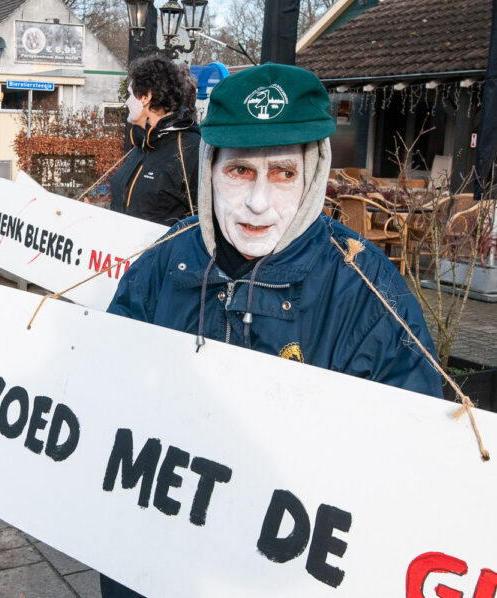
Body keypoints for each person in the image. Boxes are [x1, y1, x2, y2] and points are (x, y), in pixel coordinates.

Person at [102, 63, 442, 597]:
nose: (258, 203)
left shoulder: (368, 294)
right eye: (239, 172)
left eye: (283, 173)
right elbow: (102, 401)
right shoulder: (163, 261)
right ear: (211, 166)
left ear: (314, 174)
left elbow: (406, 468)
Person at [109, 54, 201, 226]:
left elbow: (202, 224)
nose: (127, 103)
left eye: (130, 95)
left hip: (161, 252)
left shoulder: (191, 149)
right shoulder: (142, 144)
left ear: (146, 97)